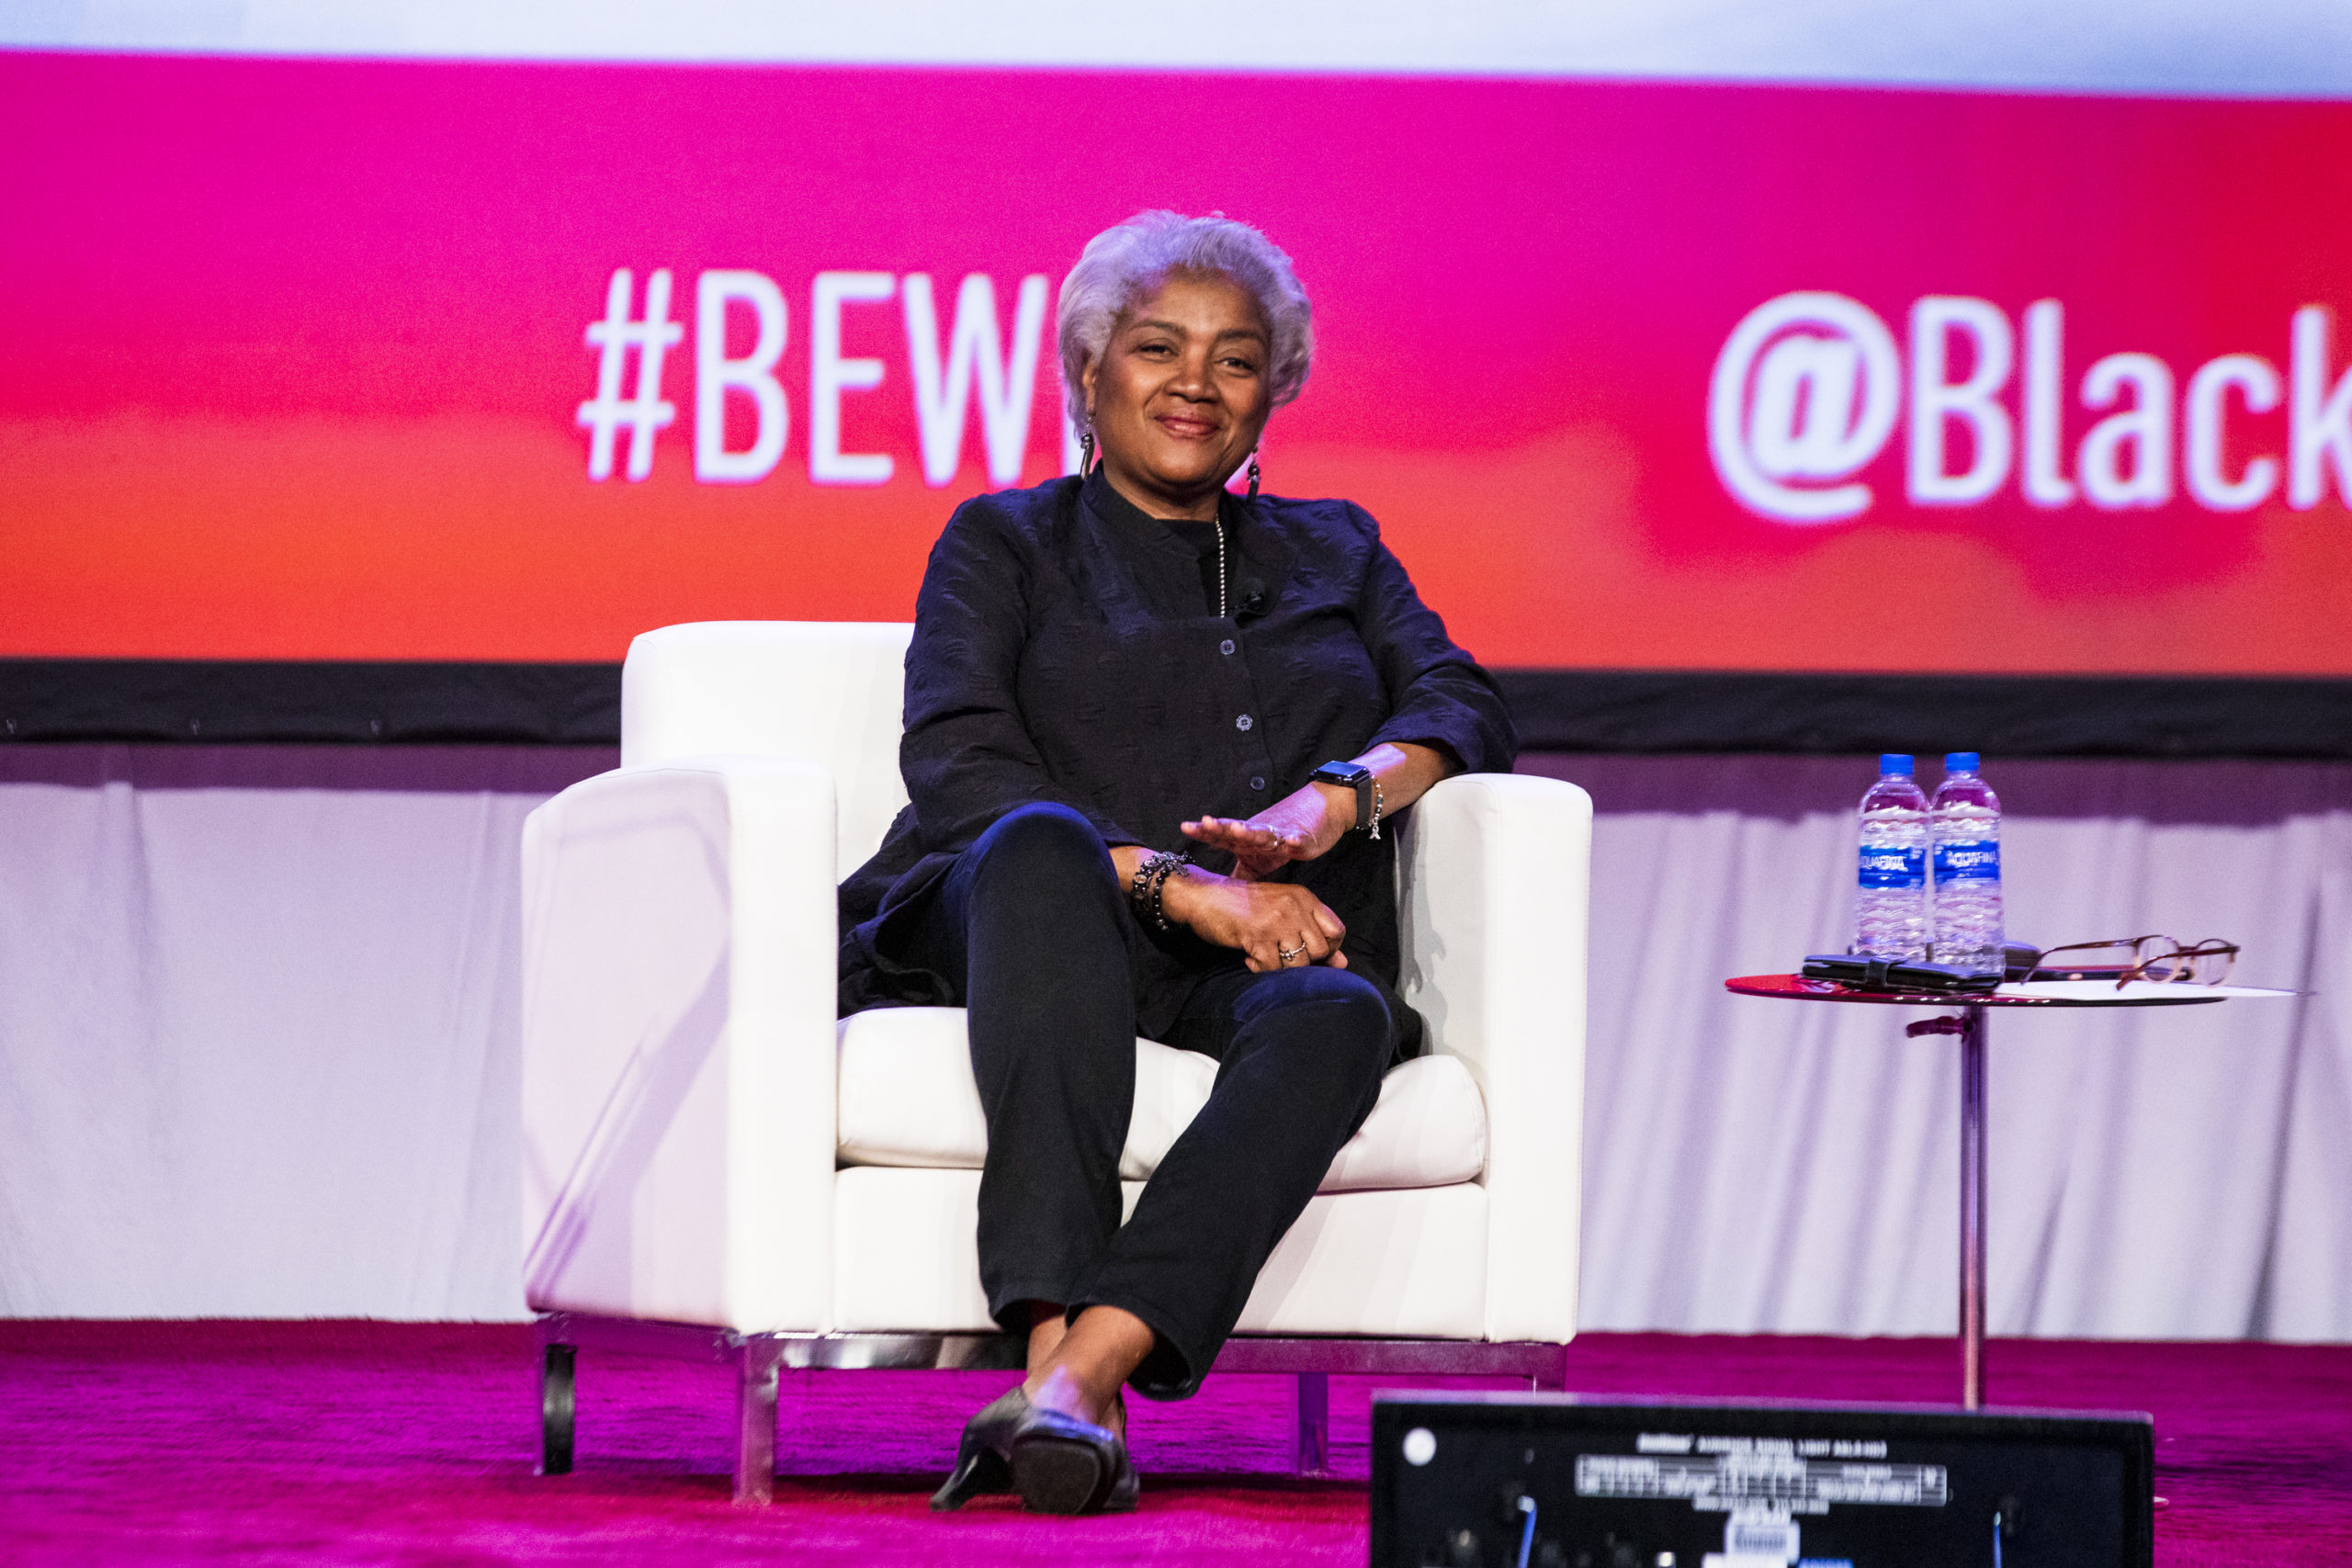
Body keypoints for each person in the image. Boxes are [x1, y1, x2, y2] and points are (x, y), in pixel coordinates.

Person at [836, 209, 1516, 1515]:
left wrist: (1335, 804)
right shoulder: (1005, 541)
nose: (1196, 383)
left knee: (1341, 1012)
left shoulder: (1340, 547)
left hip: (1242, 958)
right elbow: (963, 764)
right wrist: (1185, 888)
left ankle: (1075, 1383)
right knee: (1040, 841)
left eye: (1236, 358)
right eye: (1158, 348)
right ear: (1088, 371)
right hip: (1029, 920)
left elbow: (1459, 699)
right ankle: (1047, 1344)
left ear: (1276, 389)